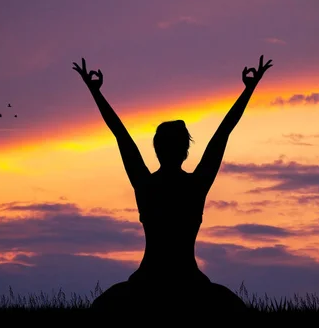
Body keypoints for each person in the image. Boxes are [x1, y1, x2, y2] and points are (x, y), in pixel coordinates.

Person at [72, 56, 272, 314]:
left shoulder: (146, 185)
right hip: (188, 286)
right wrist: (249, 89)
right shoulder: (195, 186)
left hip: (147, 285)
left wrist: (95, 92)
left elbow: (120, 134)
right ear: (186, 151)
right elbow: (223, 133)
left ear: (156, 150)